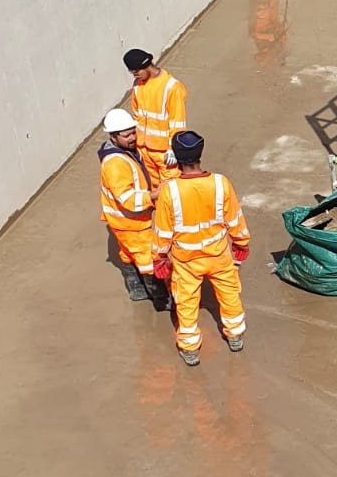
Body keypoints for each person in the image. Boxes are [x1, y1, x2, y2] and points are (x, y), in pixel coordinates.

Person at [152, 130, 250, 366]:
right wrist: (241, 243)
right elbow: (235, 218)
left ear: (176, 156)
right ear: (200, 154)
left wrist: (159, 258)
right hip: (218, 254)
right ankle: (235, 334)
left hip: (187, 260)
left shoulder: (170, 191)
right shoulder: (220, 183)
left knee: (186, 302)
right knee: (228, 293)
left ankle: (190, 348)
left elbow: (163, 231)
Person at [99, 108, 166, 307]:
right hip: (131, 221)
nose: (132, 137)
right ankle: (161, 300)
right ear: (113, 136)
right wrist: (153, 195)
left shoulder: (124, 152)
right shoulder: (115, 164)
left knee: (128, 253)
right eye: (126, 134)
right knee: (147, 259)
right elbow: (126, 198)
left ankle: (137, 291)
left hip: (122, 221)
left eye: (133, 132)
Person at [124, 49, 188, 189]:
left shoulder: (171, 87)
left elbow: (178, 122)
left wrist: (173, 148)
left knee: (170, 189)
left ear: (146, 65)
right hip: (144, 150)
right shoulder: (138, 85)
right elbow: (137, 116)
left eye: (136, 72)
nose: (135, 76)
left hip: (164, 153)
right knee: (152, 189)